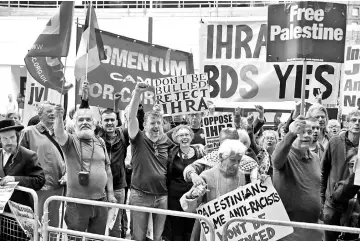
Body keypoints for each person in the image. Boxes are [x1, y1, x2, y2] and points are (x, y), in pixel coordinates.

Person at [54, 105, 117, 240]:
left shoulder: (100, 141)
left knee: (96, 238)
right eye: (80, 120)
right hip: (77, 204)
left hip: (100, 201)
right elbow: (59, 134)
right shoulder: (70, 141)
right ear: (75, 124)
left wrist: (110, 194)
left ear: (94, 124)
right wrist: (59, 118)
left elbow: (107, 168)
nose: (84, 122)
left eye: (88, 119)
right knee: (75, 239)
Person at [128, 82, 174, 241]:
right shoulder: (137, 138)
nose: (156, 126)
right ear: (144, 125)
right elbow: (131, 117)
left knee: (157, 237)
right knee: (138, 237)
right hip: (140, 196)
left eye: (158, 123)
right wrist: (137, 93)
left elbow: (184, 138)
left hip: (162, 196)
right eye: (152, 123)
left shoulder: (165, 140)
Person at [180, 139, 248, 241]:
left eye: (239, 161)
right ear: (221, 157)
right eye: (233, 160)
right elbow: (189, 208)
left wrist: (263, 182)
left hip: (237, 230)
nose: (236, 165)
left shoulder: (242, 175)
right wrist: (193, 195)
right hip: (212, 231)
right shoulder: (206, 175)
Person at [272, 116, 323, 241]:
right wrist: (291, 134)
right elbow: (276, 159)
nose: (306, 136)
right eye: (301, 132)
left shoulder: (316, 157)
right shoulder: (285, 157)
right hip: (289, 230)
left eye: (309, 132)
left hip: (312, 227)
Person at [20, 101, 66, 228]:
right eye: (49, 112)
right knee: (38, 226)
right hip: (39, 189)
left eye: (54, 112)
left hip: (58, 187)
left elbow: (68, 157)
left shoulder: (62, 134)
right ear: (40, 115)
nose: (52, 114)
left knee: (53, 226)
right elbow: (19, 159)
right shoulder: (29, 132)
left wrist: (67, 174)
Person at [0, 119, 45, 240]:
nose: (9, 142)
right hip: (2, 213)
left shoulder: (28, 155)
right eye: (5, 139)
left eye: (12, 137)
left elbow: (39, 180)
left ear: (17, 137)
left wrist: (14, 179)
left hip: (19, 215)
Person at [321, 109, 360, 241]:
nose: (357, 123)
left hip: (357, 205)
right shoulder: (334, 142)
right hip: (333, 203)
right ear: (347, 123)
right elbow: (323, 171)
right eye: (354, 120)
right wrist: (322, 200)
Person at [168, 125, 203, 241]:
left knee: (191, 228)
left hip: (193, 196)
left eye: (187, 134)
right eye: (181, 135)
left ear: (192, 137)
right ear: (176, 139)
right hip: (174, 197)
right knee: (176, 228)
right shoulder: (171, 152)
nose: (184, 137)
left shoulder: (199, 152)